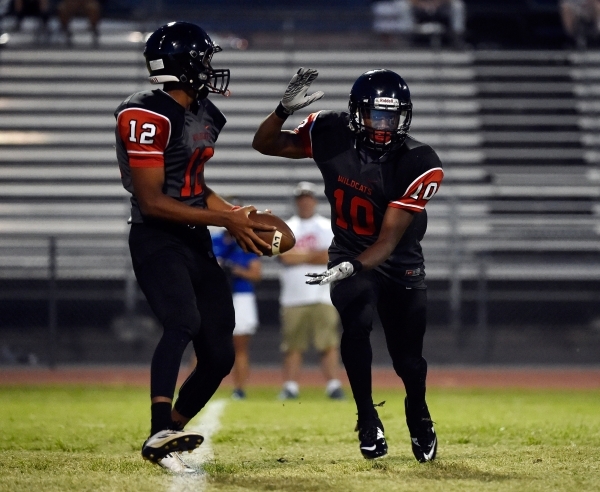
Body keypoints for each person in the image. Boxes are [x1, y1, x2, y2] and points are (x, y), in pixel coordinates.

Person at [253, 68, 443, 462]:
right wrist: (281, 110)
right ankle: (367, 416)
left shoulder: (418, 160)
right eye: (376, 115)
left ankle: (418, 414)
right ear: (358, 113)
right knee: (356, 322)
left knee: (408, 359)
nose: (384, 126)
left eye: (392, 117)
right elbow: (265, 144)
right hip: (348, 249)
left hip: (397, 260)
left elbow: (388, 241)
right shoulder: (330, 130)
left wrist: (354, 267)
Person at [114, 21, 274, 473]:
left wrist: (236, 213)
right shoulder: (145, 112)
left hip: (194, 236)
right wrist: (225, 218)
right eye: (203, 60)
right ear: (184, 65)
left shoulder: (203, 113)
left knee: (220, 354)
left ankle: (169, 433)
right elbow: (153, 200)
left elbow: (195, 188)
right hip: (156, 235)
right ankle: (158, 426)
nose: (210, 69)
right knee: (182, 320)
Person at [277, 181, 344, 401]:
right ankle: (291, 386)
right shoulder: (286, 226)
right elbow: (284, 256)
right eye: (301, 199)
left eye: (308, 198)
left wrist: (300, 254)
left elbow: (330, 256)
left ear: (314, 201)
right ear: (297, 202)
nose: (305, 202)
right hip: (293, 296)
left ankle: (333, 385)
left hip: (322, 294)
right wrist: (312, 254)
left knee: (328, 343)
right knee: (293, 344)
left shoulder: (326, 226)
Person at [211, 224, 262, 400]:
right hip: (215, 294)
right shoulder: (213, 240)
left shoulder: (247, 241)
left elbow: (256, 274)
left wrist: (235, 270)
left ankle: (239, 389)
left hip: (241, 296)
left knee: (240, 346)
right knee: (203, 344)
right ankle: (197, 388)